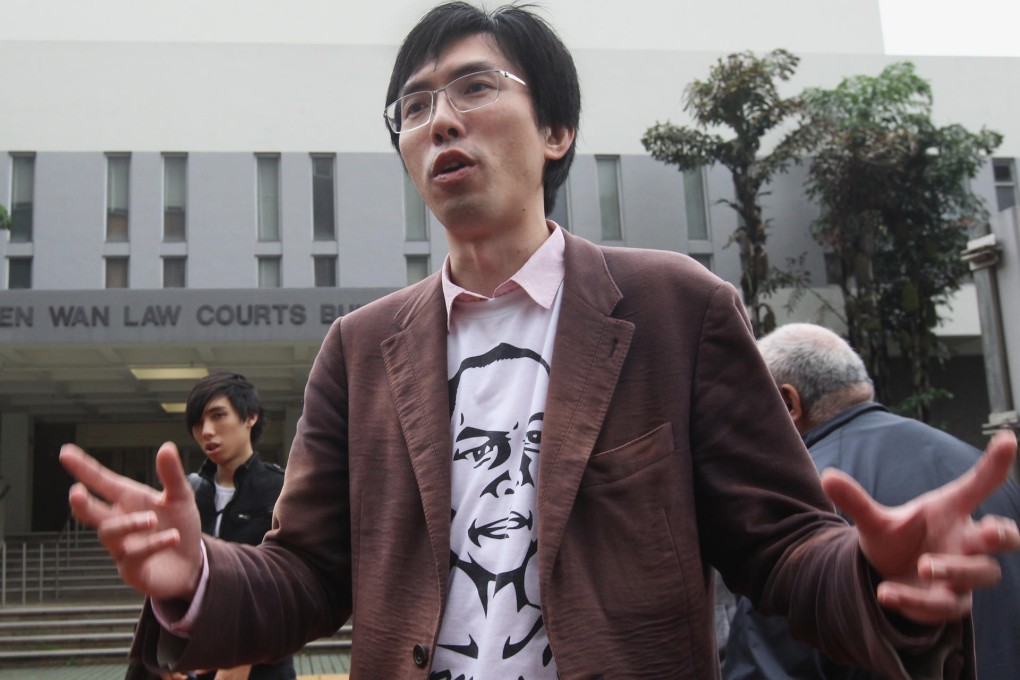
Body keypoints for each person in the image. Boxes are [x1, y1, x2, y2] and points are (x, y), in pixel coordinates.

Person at [58, 3, 1019, 679]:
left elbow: (782, 552)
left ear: (555, 130)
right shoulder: (359, 350)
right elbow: (305, 575)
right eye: (414, 107)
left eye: (474, 87)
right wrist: (198, 576)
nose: (440, 119)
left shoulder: (674, 310)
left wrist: (881, 576)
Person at [722, 323, 1020, 680]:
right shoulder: (975, 465)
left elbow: (767, 665)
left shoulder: (800, 498)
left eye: (746, 410)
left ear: (788, 404)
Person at [127, 372, 294, 680]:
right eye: (198, 422)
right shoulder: (185, 494)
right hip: (186, 661)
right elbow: (166, 590)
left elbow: (288, 587)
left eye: (218, 416)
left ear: (251, 417)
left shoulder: (282, 490)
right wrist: (163, 660)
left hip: (260, 668)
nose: (206, 431)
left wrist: (244, 658)